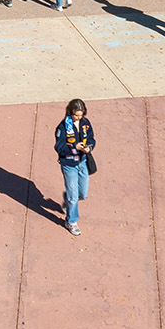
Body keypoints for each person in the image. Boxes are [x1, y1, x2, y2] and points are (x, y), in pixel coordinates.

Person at [54, 98, 96, 236]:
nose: (78, 118)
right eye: (75, 115)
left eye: (80, 115)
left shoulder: (85, 123)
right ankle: (71, 221)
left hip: (82, 162)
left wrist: (89, 147)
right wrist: (74, 147)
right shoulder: (63, 127)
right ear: (70, 112)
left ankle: (68, 200)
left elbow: (91, 139)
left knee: (82, 194)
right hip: (69, 164)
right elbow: (59, 147)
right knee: (74, 196)